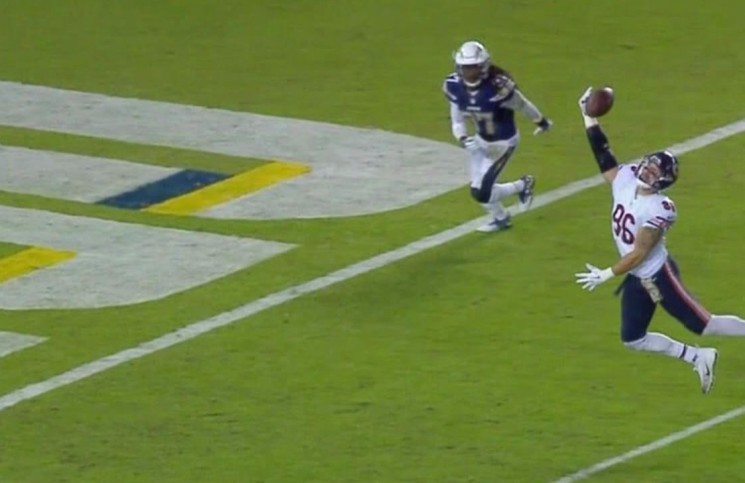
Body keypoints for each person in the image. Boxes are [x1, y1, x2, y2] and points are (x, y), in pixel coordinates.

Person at [574, 86, 745, 394]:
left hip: (657, 274)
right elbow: (604, 156)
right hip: (637, 277)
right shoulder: (626, 179)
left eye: (654, 172)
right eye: (649, 165)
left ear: (662, 182)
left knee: (705, 325)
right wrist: (588, 117)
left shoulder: (660, 208)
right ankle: (698, 357)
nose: (648, 171)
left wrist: (607, 273)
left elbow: (640, 252)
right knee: (633, 338)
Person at [443, 40, 552, 233]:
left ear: (483, 66)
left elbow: (523, 105)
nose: (469, 72)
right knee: (478, 189)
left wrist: (541, 121)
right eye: (465, 67)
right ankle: (501, 218)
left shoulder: (497, 87)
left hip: (503, 143)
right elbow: (457, 120)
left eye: (473, 67)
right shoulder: (454, 86)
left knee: (482, 192)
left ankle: (523, 185)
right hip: (479, 141)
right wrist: (463, 139)